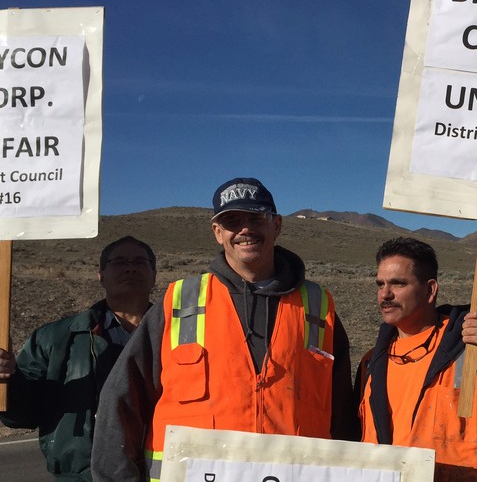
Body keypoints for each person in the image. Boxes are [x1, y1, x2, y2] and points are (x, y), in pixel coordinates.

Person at [91, 177, 358, 480]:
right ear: (218, 233)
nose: (245, 229)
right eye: (232, 221)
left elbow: (342, 413)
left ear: (277, 225)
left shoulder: (318, 306)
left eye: (256, 218)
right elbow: (120, 401)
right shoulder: (180, 302)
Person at [357, 237, 477, 481]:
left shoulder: (475, 342)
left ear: (430, 289)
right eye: (380, 284)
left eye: (398, 284)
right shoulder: (372, 362)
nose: (385, 294)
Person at [0, 236, 157, 481]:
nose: (130, 267)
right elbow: (23, 415)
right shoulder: (54, 339)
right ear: (101, 276)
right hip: (82, 476)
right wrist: (9, 380)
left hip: (159, 471)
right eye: (119, 262)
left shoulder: (179, 334)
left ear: (154, 275)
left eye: (139, 261)